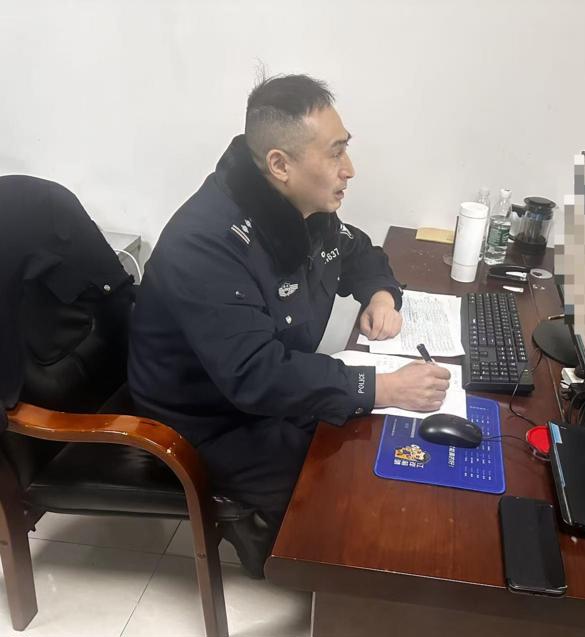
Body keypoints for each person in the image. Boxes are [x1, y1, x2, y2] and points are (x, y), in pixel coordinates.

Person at [128, 74, 450, 577]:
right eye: (335, 153)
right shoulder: (207, 245)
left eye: (346, 148)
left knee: (370, 438)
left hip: (265, 392)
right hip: (206, 419)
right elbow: (256, 375)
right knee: (345, 483)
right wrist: (382, 387)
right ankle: (281, 549)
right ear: (280, 165)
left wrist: (380, 294)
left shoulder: (300, 209)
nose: (350, 169)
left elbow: (358, 252)